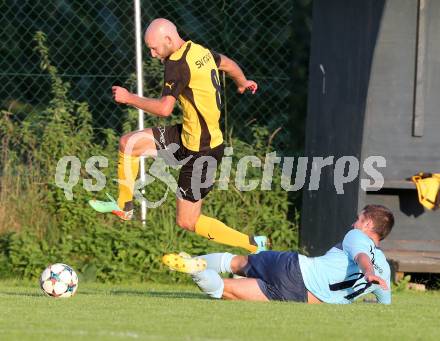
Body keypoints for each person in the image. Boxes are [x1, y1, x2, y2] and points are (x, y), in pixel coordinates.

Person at [89, 18, 269, 253]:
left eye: (154, 48)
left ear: (168, 39)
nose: (152, 54)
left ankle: (254, 245)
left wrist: (129, 98)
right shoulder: (199, 51)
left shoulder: (177, 63)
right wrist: (242, 81)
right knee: (129, 143)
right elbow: (226, 63)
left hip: (203, 152)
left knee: (187, 221)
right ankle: (125, 206)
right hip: (187, 136)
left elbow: (165, 109)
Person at [163, 204, 394, 304]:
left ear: (369, 223)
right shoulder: (385, 270)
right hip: (298, 295)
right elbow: (384, 300)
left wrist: (368, 271)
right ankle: (198, 274)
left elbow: (361, 256)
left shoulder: (357, 237)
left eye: (359, 219)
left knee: (236, 262)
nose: (354, 223)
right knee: (223, 290)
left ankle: (195, 264)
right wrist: (371, 280)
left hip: (291, 267)